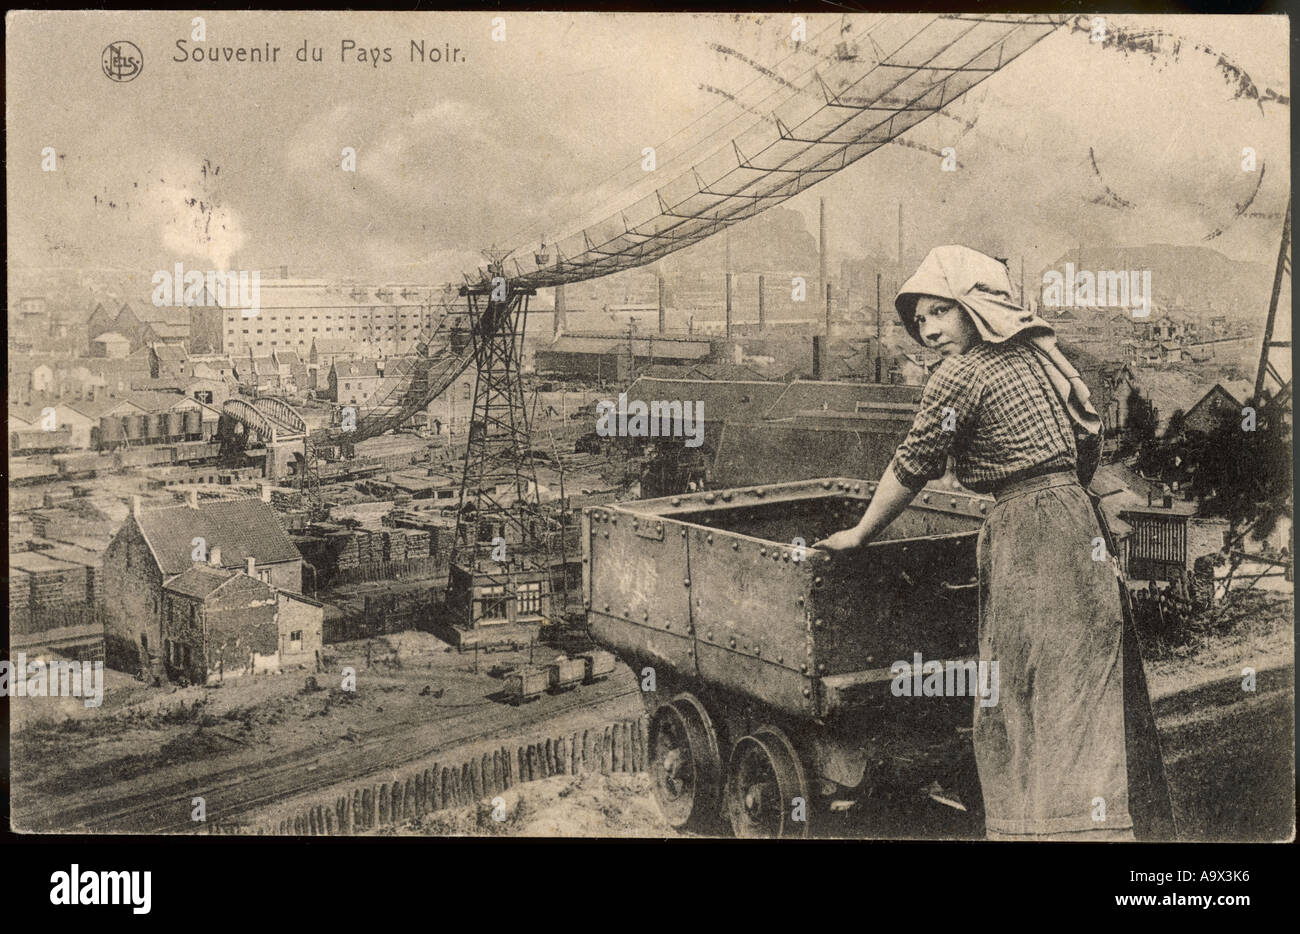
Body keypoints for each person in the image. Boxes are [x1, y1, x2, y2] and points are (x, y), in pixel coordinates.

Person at [815, 245, 1174, 841]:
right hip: (1078, 523)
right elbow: (1086, 443)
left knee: (1022, 691)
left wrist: (859, 532)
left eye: (939, 313)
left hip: (1029, 531)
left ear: (973, 309)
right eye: (919, 319)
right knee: (1080, 683)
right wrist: (1058, 493)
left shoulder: (961, 374)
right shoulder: (1035, 357)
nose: (928, 331)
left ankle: (1037, 832)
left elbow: (912, 465)